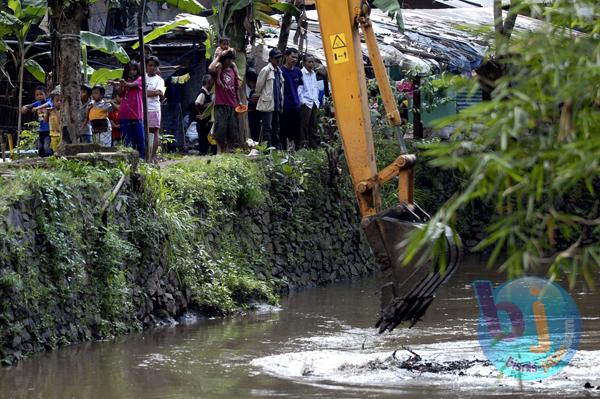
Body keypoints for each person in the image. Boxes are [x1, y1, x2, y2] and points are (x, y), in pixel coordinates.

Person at [208, 48, 240, 153]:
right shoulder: (218, 69)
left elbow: (236, 88)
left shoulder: (233, 71)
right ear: (223, 59)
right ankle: (219, 151)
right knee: (220, 129)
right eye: (227, 59)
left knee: (232, 130)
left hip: (232, 104)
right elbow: (210, 68)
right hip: (221, 104)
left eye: (231, 59)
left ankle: (228, 150)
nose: (229, 62)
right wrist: (218, 56)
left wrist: (239, 102)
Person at [256, 48, 285, 149]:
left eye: (279, 58)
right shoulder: (266, 70)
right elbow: (258, 87)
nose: (278, 60)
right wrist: (263, 95)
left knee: (276, 127)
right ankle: (267, 148)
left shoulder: (279, 71)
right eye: (276, 58)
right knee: (267, 127)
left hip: (277, 103)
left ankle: (275, 147)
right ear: (271, 59)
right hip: (267, 103)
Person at [117, 61, 145, 158]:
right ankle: (128, 160)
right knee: (126, 139)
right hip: (124, 113)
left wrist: (124, 83)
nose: (132, 72)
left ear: (137, 70)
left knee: (139, 138)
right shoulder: (124, 81)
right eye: (129, 70)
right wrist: (121, 85)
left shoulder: (141, 79)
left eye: (134, 70)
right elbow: (120, 93)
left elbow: (132, 85)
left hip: (137, 113)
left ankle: (141, 159)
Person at [280, 48, 303, 149]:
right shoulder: (281, 71)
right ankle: (283, 148)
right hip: (285, 105)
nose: (294, 59)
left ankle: (295, 149)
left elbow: (301, 87)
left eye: (296, 58)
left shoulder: (298, 71)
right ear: (286, 56)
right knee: (284, 129)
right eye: (292, 57)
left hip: (296, 105)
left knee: (296, 130)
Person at [21, 86, 52, 157]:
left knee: (47, 146)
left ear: (46, 94)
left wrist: (37, 108)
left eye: (41, 94)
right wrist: (24, 107)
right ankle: (41, 161)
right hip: (41, 129)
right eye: (37, 95)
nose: (39, 96)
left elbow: (48, 104)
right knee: (40, 147)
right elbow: (30, 105)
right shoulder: (37, 103)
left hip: (49, 129)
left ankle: (49, 159)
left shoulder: (49, 101)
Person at [298, 53, 321, 148]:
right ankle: (303, 145)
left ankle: (314, 145)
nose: (311, 64)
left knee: (313, 125)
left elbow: (315, 87)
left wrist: (317, 100)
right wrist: (303, 101)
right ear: (304, 63)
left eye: (313, 62)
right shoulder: (301, 73)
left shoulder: (313, 74)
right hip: (306, 103)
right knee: (303, 125)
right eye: (309, 62)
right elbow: (299, 89)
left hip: (314, 102)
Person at [146, 56, 165, 162]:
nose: (152, 67)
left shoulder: (159, 80)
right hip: (143, 109)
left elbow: (159, 92)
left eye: (154, 65)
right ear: (146, 66)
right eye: (150, 65)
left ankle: (153, 156)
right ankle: (146, 155)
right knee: (145, 132)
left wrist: (145, 92)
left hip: (154, 108)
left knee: (154, 131)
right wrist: (151, 93)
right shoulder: (143, 78)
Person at [193, 74, 215, 154]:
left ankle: (205, 152)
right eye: (212, 81)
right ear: (208, 82)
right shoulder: (202, 93)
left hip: (205, 120)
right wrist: (201, 114)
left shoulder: (207, 93)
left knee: (205, 136)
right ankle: (203, 152)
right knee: (203, 137)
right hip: (203, 121)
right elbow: (197, 103)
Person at [245, 69, 261, 142]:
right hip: (253, 115)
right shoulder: (252, 91)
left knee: (255, 133)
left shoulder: (256, 91)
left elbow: (254, 103)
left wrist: (248, 101)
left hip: (255, 115)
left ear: (248, 81)